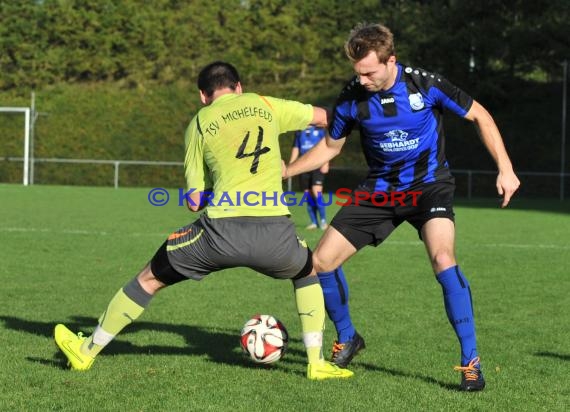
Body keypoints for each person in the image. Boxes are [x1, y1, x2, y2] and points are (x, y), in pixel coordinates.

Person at [54, 61, 353, 381]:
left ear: (203, 95)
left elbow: (194, 201)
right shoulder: (264, 104)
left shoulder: (198, 124)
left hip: (220, 235)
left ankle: (86, 353)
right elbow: (325, 117)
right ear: (239, 87)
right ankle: (316, 363)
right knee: (307, 271)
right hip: (275, 233)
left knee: (148, 279)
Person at [284, 23, 520, 391]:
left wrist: (505, 168)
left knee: (443, 259)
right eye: (356, 72)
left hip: (429, 188)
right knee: (320, 263)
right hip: (378, 191)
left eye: (368, 72)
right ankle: (348, 336)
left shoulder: (424, 84)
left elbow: (480, 116)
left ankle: (470, 361)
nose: (361, 79)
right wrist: (287, 169)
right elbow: (331, 147)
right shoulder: (351, 97)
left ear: (390, 60)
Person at [288, 126, 330, 230]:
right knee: (308, 196)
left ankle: (324, 221)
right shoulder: (299, 131)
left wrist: (326, 162)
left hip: (317, 165)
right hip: (304, 167)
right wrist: (290, 167)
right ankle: (314, 222)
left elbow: (327, 147)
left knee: (317, 193)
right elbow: (296, 148)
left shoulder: (320, 131)